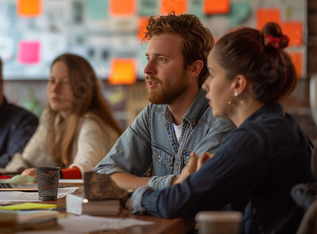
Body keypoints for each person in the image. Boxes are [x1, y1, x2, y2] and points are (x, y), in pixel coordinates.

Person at [124, 22, 314, 233]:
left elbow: (176, 202)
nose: (206, 84)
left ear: (237, 85)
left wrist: (133, 198)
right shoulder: (282, 126)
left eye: (213, 74)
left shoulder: (254, 138)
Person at [93, 13, 235, 190]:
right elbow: (102, 175)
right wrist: (171, 183)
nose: (147, 69)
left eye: (161, 59)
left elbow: (194, 185)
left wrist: (145, 187)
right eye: (148, 58)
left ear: (194, 68)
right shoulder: (154, 112)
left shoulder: (220, 117)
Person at [5, 53, 123, 179]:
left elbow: (88, 169)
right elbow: (27, 161)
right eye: (52, 81)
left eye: (65, 82)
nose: (55, 89)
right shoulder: (53, 119)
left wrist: (49, 175)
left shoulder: (91, 124)